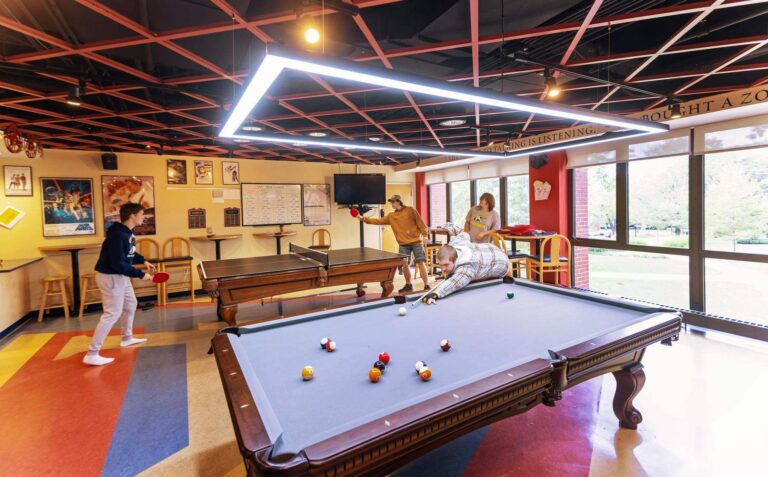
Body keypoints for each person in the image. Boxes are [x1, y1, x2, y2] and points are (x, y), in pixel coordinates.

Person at [83, 203, 156, 366]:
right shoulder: (117, 235)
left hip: (121, 276)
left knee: (131, 305)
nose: (143, 217)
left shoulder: (126, 233)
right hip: (111, 276)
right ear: (132, 216)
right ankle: (92, 353)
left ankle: (127, 338)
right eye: (142, 214)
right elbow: (118, 263)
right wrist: (141, 274)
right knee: (111, 314)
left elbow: (129, 252)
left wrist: (143, 260)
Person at [356, 194, 430, 293]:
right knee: (405, 265)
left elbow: (420, 223)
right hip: (403, 244)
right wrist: (362, 218)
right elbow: (378, 221)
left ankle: (427, 285)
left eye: (393, 202)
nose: (392, 204)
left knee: (421, 262)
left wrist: (425, 235)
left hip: (416, 242)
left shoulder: (411, 210)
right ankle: (408, 285)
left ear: (399, 201)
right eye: (391, 202)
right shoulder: (391, 216)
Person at [422, 231, 511, 305]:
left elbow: (454, 283)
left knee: (473, 277)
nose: (443, 269)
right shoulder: (454, 244)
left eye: (446, 265)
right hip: (489, 247)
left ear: (455, 259)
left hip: (502, 262)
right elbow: (464, 234)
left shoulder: (467, 267)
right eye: (440, 265)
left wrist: (435, 293)